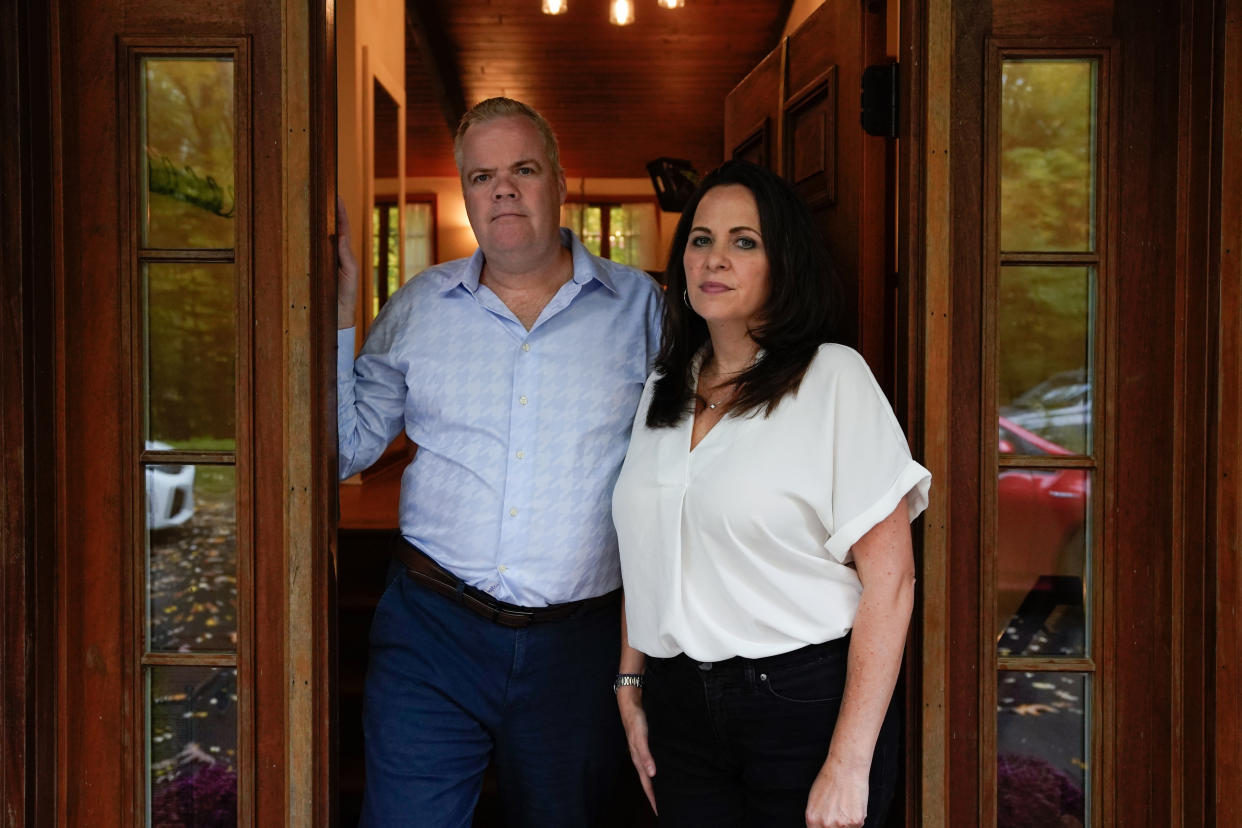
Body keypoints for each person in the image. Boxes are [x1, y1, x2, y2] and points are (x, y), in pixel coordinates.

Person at [336, 97, 663, 827]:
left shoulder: (642, 308)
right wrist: (339, 307)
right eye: (482, 176)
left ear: (559, 182)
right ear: (465, 193)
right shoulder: (418, 307)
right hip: (432, 634)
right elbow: (345, 451)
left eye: (523, 169)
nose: (503, 189)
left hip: (578, 647)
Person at [611, 159, 931, 828]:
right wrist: (631, 680)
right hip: (680, 707)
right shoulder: (665, 385)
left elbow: (892, 582)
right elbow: (645, 546)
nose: (714, 258)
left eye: (743, 240)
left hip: (800, 705)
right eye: (700, 239)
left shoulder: (831, 378)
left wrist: (849, 762)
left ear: (782, 263)